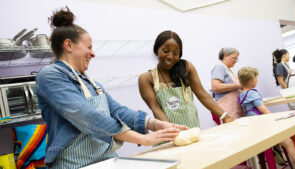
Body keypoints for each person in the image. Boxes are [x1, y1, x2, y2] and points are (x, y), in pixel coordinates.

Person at [36, 8, 187, 168]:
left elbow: (117, 111)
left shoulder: (92, 84)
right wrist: (142, 139)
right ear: (68, 45)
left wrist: (155, 124)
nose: (93, 54)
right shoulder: (50, 76)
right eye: (89, 47)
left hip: (106, 161)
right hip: (74, 165)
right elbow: (87, 116)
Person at [138, 30, 233, 130]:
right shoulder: (146, 79)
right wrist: (172, 131)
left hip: (192, 130)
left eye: (175, 53)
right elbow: (155, 108)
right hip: (167, 133)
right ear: (156, 49)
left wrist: (225, 117)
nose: (170, 56)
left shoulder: (186, 68)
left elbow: (203, 95)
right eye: (165, 51)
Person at [238, 67, 295, 167]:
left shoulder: (242, 95)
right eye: (256, 78)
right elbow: (263, 110)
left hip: (254, 125)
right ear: (251, 80)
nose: (257, 80)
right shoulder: (253, 93)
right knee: (289, 143)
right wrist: (275, 120)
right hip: (263, 125)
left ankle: (277, 149)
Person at [211, 48, 244, 125]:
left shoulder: (229, 71)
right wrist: (238, 85)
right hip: (227, 108)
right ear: (225, 55)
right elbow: (215, 87)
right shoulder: (219, 67)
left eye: (237, 59)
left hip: (234, 108)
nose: (236, 61)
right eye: (234, 58)